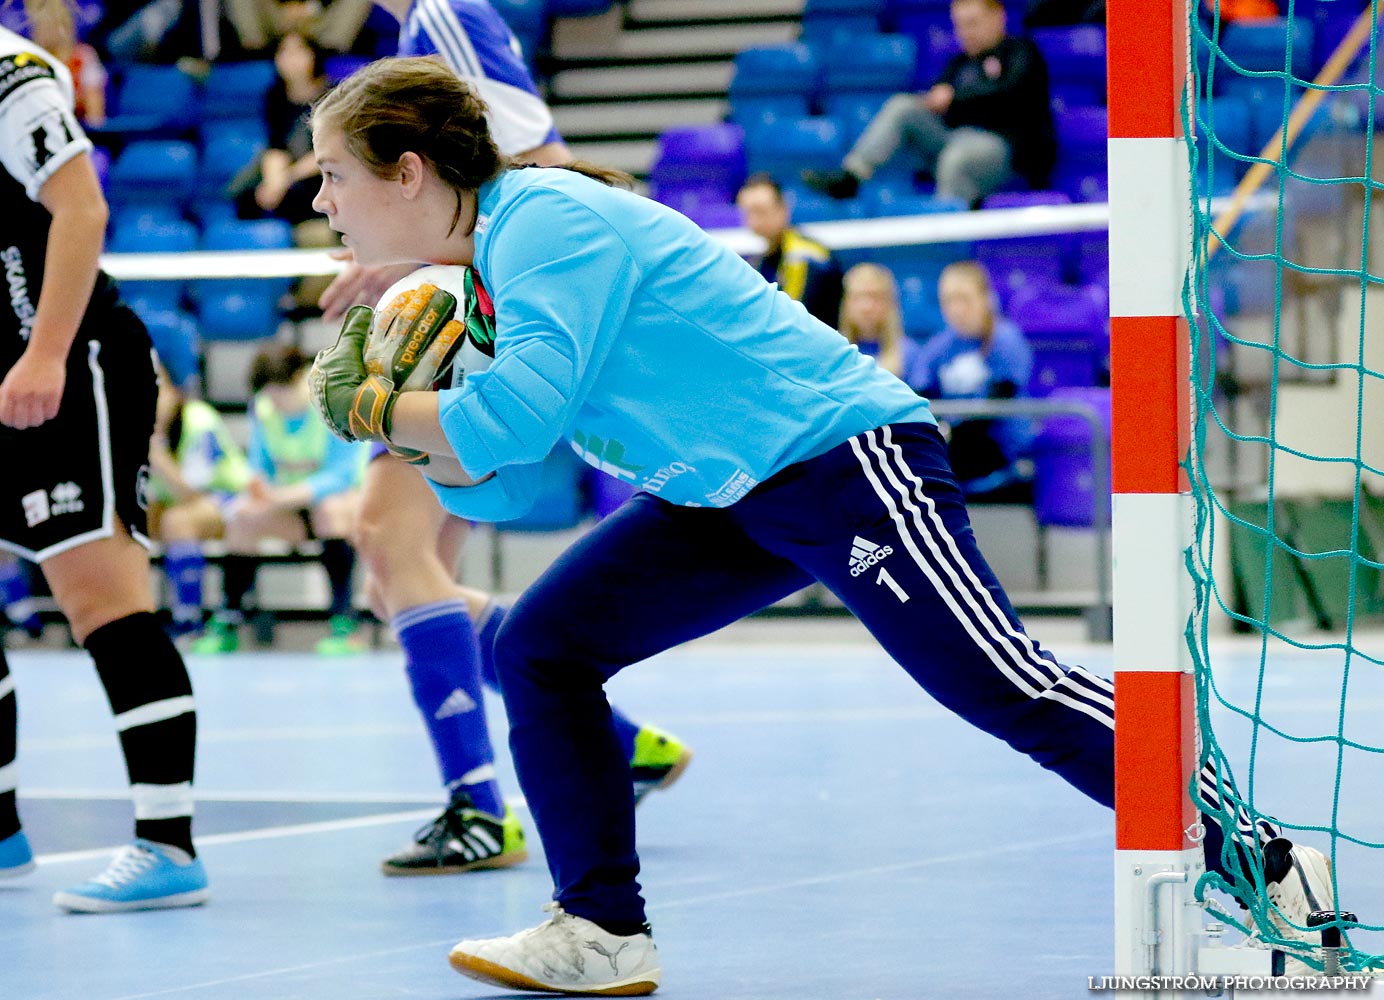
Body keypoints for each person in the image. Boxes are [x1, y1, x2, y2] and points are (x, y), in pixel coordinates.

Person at [304, 56, 1338, 994]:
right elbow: (502, 481)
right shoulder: (486, 277)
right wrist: (408, 424)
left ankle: (1261, 857)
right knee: (541, 648)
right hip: (722, 492)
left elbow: (515, 422)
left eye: (333, 174)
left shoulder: (540, 221)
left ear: (406, 172)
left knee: (1001, 684)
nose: (320, 199)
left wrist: (378, 409)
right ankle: (601, 929)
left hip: (840, 457)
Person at [313, 0, 693, 878]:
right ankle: (618, 744)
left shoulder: (444, 15)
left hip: (466, 315)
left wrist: (408, 263)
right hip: (455, 302)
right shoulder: (421, 29)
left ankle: (478, 805)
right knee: (399, 578)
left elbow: (536, 170)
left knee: (389, 543)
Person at [0, 14, 208, 913]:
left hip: (69, 363)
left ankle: (169, 846)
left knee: (102, 603)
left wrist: (44, 352)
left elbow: (81, 207)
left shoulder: (9, 74)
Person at [192, 345, 369, 655]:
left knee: (331, 511)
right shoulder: (264, 410)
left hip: (342, 505)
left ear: (301, 378)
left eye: (280, 394)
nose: (275, 402)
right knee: (243, 519)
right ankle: (228, 621)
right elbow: (261, 467)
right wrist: (258, 489)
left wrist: (289, 495)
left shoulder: (334, 404)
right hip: (291, 507)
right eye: (270, 395)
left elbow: (342, 475)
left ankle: (345, 624)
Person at [803, 0, 1056, 208]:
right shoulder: (958, 64)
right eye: (960, 26)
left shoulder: (1022, 52)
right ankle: (852, 176)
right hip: (952, 138)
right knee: (903, 106)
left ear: (997, 17)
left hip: (1005, 148)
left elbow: (1010, 96)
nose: (966, 32)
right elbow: (940, 101)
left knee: (956, 157)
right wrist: (933, 101)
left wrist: (955, 99)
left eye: (973, 23)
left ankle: (945, 232)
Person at [906, 261, 1035, 502]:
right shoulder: (937, 348)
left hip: (998, 450)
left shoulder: (1006, 340)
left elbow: (996, 407)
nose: (956, 309)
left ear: (985, 298)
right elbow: (920, 397)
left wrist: (948, 432)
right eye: (949, 301)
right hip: (954, 446)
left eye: (964, 299)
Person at [147, 377, 253, 636]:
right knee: (123, 523)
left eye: (158, 390)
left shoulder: (199, 420)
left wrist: (157, 455)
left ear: (174, 392)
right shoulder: (133, 421)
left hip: (225, 497)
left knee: (178, 521)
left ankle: (188, 619)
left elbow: (192, 491)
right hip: (173, 501)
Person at [735, 173, 842, 328]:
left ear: (783, 208)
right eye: (748, 212)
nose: (754, 220)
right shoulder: (762, 259)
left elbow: (793, 318)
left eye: (760, 211)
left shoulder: (804, 256)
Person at [836, 262, 925, 380]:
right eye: (857, 297)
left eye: (874, 296)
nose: (866, 307)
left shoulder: (910, 355)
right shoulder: (833, 353)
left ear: (890, 303)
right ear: (846, 303)